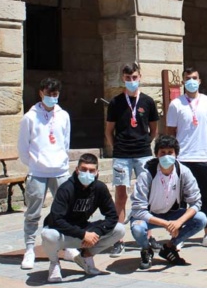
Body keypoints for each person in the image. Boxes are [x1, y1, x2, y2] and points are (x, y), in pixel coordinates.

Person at [18, 77, 76, 269]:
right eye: (48, 94)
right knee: (33, 212)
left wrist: (61, 160)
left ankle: (67, 246)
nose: (52, 97)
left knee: (66, 210)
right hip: (38, 171)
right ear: (41, 93)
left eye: (55, 94)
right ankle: (29, 249)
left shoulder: (63, 115)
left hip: (60, 170)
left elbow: (65, 142)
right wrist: (34, 163)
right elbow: (23, 146)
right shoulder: (30, 117)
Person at [41, 153, 126, 282]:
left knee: (119, 229)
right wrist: (83, 235)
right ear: (77, 170)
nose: (87, 173)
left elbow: (112, 216)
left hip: (83, 230)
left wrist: (96, 233)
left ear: (97, 172)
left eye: (91, 170)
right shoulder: (66, 188)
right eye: (84, 169)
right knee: (48, 234)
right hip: (62, 232)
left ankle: (86, 255)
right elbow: (56, 220)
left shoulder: (99, 188)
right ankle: (54, 263)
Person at [105, 63, 160, 256]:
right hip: (122, 155)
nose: (131, 81)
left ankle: (149, 235)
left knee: (146, 194)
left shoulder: (148, 101)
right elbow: (109, 130)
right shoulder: (115, 102)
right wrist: (117, 147)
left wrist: (145, 142)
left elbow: (154, 129)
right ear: (123, 78)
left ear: (140, 77)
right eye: (128, 78)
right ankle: (118, 239)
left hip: (143, 153)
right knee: (120, 196)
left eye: (134, 77)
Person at [130, 135, 207, 269]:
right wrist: (166, 224)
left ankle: (170, 247)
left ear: (176, 154)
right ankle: (146, 249)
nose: (166, 156)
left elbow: (196, 203)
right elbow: (138, 210)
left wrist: (179, 222)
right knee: (137, 227)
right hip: (150, 216)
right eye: (162, 153)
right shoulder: (146, 174)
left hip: (173, 213)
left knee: (201, 219)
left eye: (170, 152)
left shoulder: (184, 172)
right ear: (156, 155)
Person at [166, 67, 207, 248]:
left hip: (203, 157)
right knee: (180, 199)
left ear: (200, 80)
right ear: (183, 82)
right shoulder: (176, 104)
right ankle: (179, 234)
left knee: (205, 197)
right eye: (188, 78)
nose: (191, 81)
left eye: (194, 78)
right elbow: (171, 131)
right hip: (183, 158)